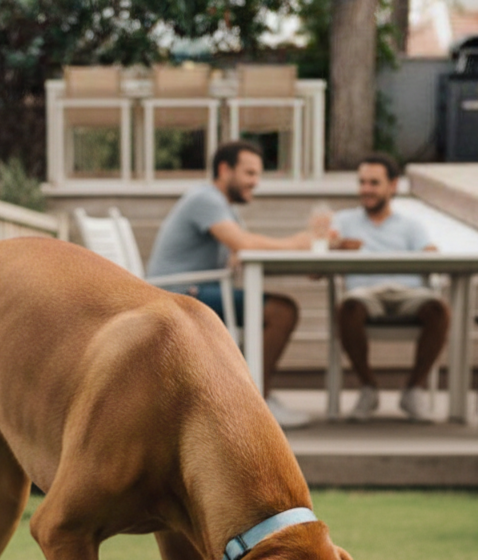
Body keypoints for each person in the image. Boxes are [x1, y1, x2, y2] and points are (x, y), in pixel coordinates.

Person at [146, 140, 314, 429]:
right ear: (225, 170)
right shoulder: (206, 199)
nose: (255, 182)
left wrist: (304, 262)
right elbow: (244, 244)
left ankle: (248, 394)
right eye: (249, 174)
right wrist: (299, 244)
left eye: (258, 175)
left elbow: (241, 256)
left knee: (277, 308)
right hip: (178, 295)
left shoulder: (221, 206)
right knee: (281, 311)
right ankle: (256, 400)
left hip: (193, 290)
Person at [331, 153, 451, 422]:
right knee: (348, 308)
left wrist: (430, 252)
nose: (366, 189)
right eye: (362, 182)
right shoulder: (343, 221)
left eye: (374, 183)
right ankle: (368, 387)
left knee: (439, 310)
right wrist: (334, 247)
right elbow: (318, 268)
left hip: (409, 293)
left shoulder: (411, 225)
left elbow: (432, 257)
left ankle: (413, 390)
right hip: (363, 294)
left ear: (393, 186)